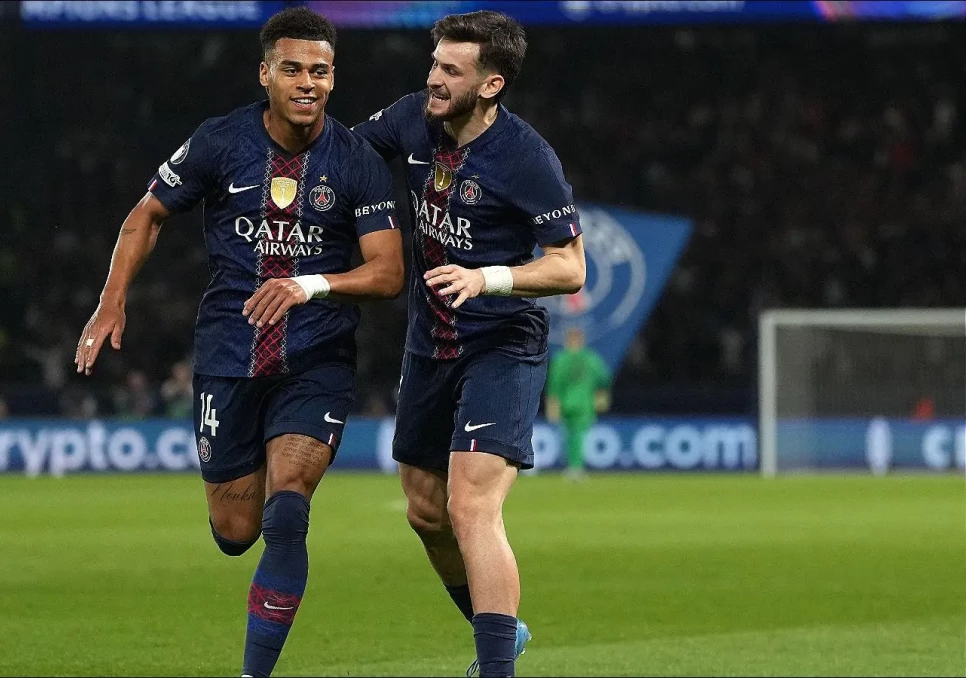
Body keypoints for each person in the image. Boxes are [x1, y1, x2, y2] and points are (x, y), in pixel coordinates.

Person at [73, 8, 404, 677]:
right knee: (236, 533)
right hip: (229, 353)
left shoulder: (357, 161)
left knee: (288, 510)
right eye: (292, 69)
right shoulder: (220, 142)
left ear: (333, 78)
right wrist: (112, 299)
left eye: (319, 71)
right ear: (265, 74)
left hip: (317, 357)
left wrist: (310, 286)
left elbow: (388, 272)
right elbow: (148, 214)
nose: (307, 83)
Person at [351, 10, 585, 677]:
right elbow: (343, 156)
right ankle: (503, 633)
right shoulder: (411, 118)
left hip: (502, 343)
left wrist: (489, 277)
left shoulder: (525, 158)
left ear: (490, 85)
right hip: (430, 342)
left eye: (451, 70)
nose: (434, 78)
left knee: (470, 505)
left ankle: (495, 667)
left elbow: (570, 268)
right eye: (434, 63)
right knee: (426, 512)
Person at [545, 328, 611, 481]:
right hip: (585, 403)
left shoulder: (561, 359)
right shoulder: (591, 359)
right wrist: (601, 396)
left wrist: (552, 405)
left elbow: (554, 384)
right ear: (582, 341)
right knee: (579, 436)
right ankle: (576, 467)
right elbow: (605, 378)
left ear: (567, 341)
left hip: (566, 403)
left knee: (569, 436)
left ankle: (573, 466)